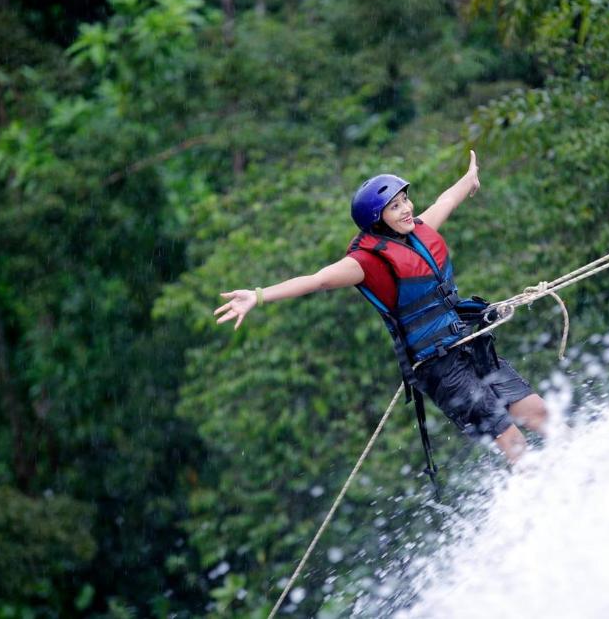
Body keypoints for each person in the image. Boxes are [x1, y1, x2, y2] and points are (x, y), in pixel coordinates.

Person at [214, 151, 548, 463]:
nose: (406, 209)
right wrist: (258, 296)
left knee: (538, 413)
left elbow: (446, 200)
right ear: (377, 220)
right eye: (395, 207)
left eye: (405, 201)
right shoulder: (365, 263)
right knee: (512, 440)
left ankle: (582, 467)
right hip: (440, 369)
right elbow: (317, 279)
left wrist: (469, 178)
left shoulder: (417, 232)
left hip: (465, 346)